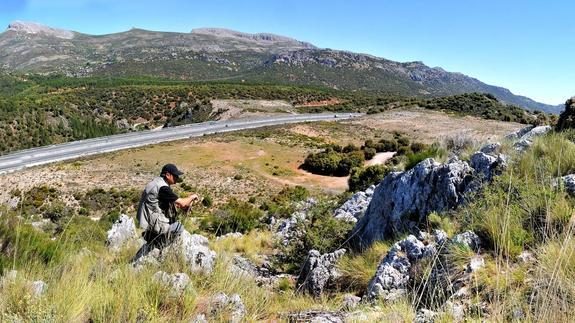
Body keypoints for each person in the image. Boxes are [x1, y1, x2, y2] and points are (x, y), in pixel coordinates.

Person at [136, 163, 199, 248]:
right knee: (179, 227)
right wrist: (192, 197)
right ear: (168, 175)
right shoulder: (163, 188)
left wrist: (181, 206)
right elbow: (182, 202)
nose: (177, 178)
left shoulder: (156, 182)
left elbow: (170, 201)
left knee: (172, 215)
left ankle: (151, 234)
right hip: (155, 223)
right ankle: (159, 242)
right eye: (175, 176)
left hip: (147, 220)